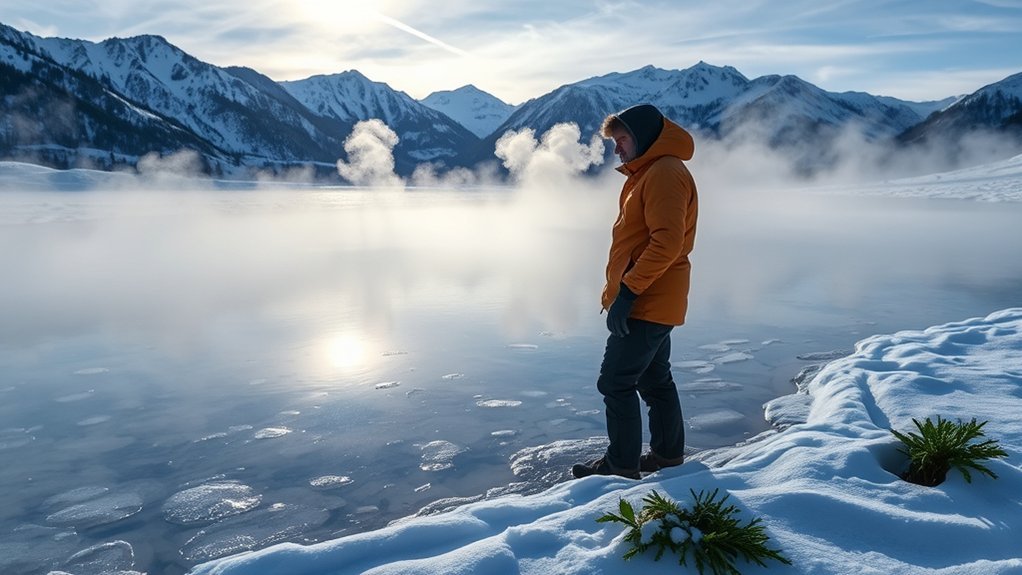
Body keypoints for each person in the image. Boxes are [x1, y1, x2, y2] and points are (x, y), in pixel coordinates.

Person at [571, 103, 698, 480]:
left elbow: (667, 243)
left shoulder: (662, 172)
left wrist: (628, 293)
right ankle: (667, 456)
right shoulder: (652, 171)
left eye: (622, 139)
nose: (617, 149)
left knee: (616, 381)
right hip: (655, 297)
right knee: (655, 379)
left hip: (648, 299)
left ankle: (621, 466)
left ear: (643, 137)